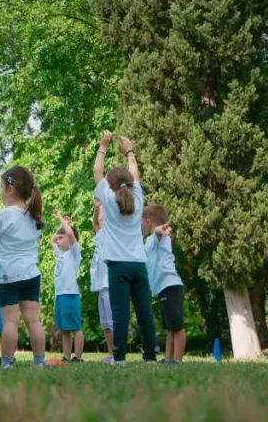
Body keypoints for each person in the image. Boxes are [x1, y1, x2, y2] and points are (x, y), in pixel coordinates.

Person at [93, 131, 156, 364]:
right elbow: (136, 175)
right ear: (130, 183)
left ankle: (119, 359)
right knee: (145, 313)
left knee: (120, 315)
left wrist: (103, 146)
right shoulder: (138, 199)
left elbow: (96, 173)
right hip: (139, 264)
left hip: (117, 266)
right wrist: (129, 150)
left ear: (110, 186)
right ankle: (149, 358)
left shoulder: (109, 201)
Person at [0, 166, 46, 369]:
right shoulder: (34, 216)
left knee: (10, 322)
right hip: (31, 276)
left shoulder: (4, 216)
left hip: (8, 277)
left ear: (9, 189)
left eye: (0, 187)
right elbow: (19, 244)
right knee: (33, 320)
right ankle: (39, 361)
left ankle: (6, 362)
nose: (0, 192)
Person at [142, 204, 185, 364]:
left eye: (141, 222)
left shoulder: (157, 237)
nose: (140, 226)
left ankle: (177, 360)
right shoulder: (150, 240)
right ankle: (168, 358)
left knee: (178, 326)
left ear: (148, 221)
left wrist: (160, 229)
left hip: (170, 286)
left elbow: (157, 232)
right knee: (170, 327)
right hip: (163, 288)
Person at [52, 211, 84, 363]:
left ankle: (77, 357)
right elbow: (52, 240)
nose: (57, 241)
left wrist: (62, 220)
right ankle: (66, 356)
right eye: (58, 238)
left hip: (70, 294)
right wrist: (60, 227)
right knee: (64, 328)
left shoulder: (73, 252)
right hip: (60, 295)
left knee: (75, 327)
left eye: (61, 238)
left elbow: (70, 234)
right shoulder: (60, 253)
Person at [90, 198, 115, 362]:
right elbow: (95, 225)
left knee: (112, 321)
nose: (99, 217)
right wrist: (96, 209)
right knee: (105, 323)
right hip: (100, 285)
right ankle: (112, 353)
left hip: (109, 282)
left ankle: (118, 354)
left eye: (102, 214)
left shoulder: (112, 234)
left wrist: (104, 206)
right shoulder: (100, 236)